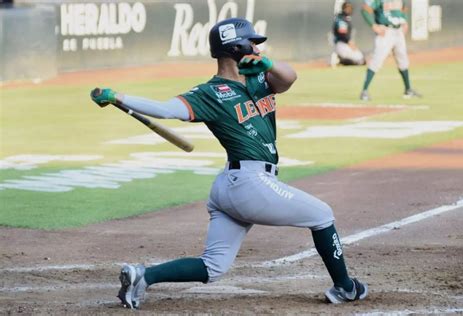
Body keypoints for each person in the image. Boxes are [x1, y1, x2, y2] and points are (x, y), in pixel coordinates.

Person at [90, 17, 368, 309]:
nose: (258, 49)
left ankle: (142, 276)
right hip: (249, 184)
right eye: (253, 44)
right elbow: (164, 109)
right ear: (236, 48)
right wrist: (117, 97)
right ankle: (345, 287)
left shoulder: (260, 78)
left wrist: (268, 65)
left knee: (213, 266)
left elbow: (290, 77)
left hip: (231, 187)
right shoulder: (208, 94)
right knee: (322, 215)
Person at [360, 0, 421, 100]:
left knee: (403, 61)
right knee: (376, 61)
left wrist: (405, 21)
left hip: (398, 31)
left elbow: (404, 8)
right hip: (385, 32)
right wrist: (374, 25)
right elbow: (365, 9)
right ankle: (364, 91)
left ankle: (408, 90)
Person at [333, 1, 366, 66]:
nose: (349, 10)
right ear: (344, 8)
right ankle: (340, 60)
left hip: (346, 45)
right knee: (360, 61)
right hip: (342, 44)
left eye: (350, 8)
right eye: (348, 8)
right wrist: (349, 42)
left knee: (361, 59)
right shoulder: (341, 19)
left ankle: (342, 60)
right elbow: (343, 34)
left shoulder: (346, 18)